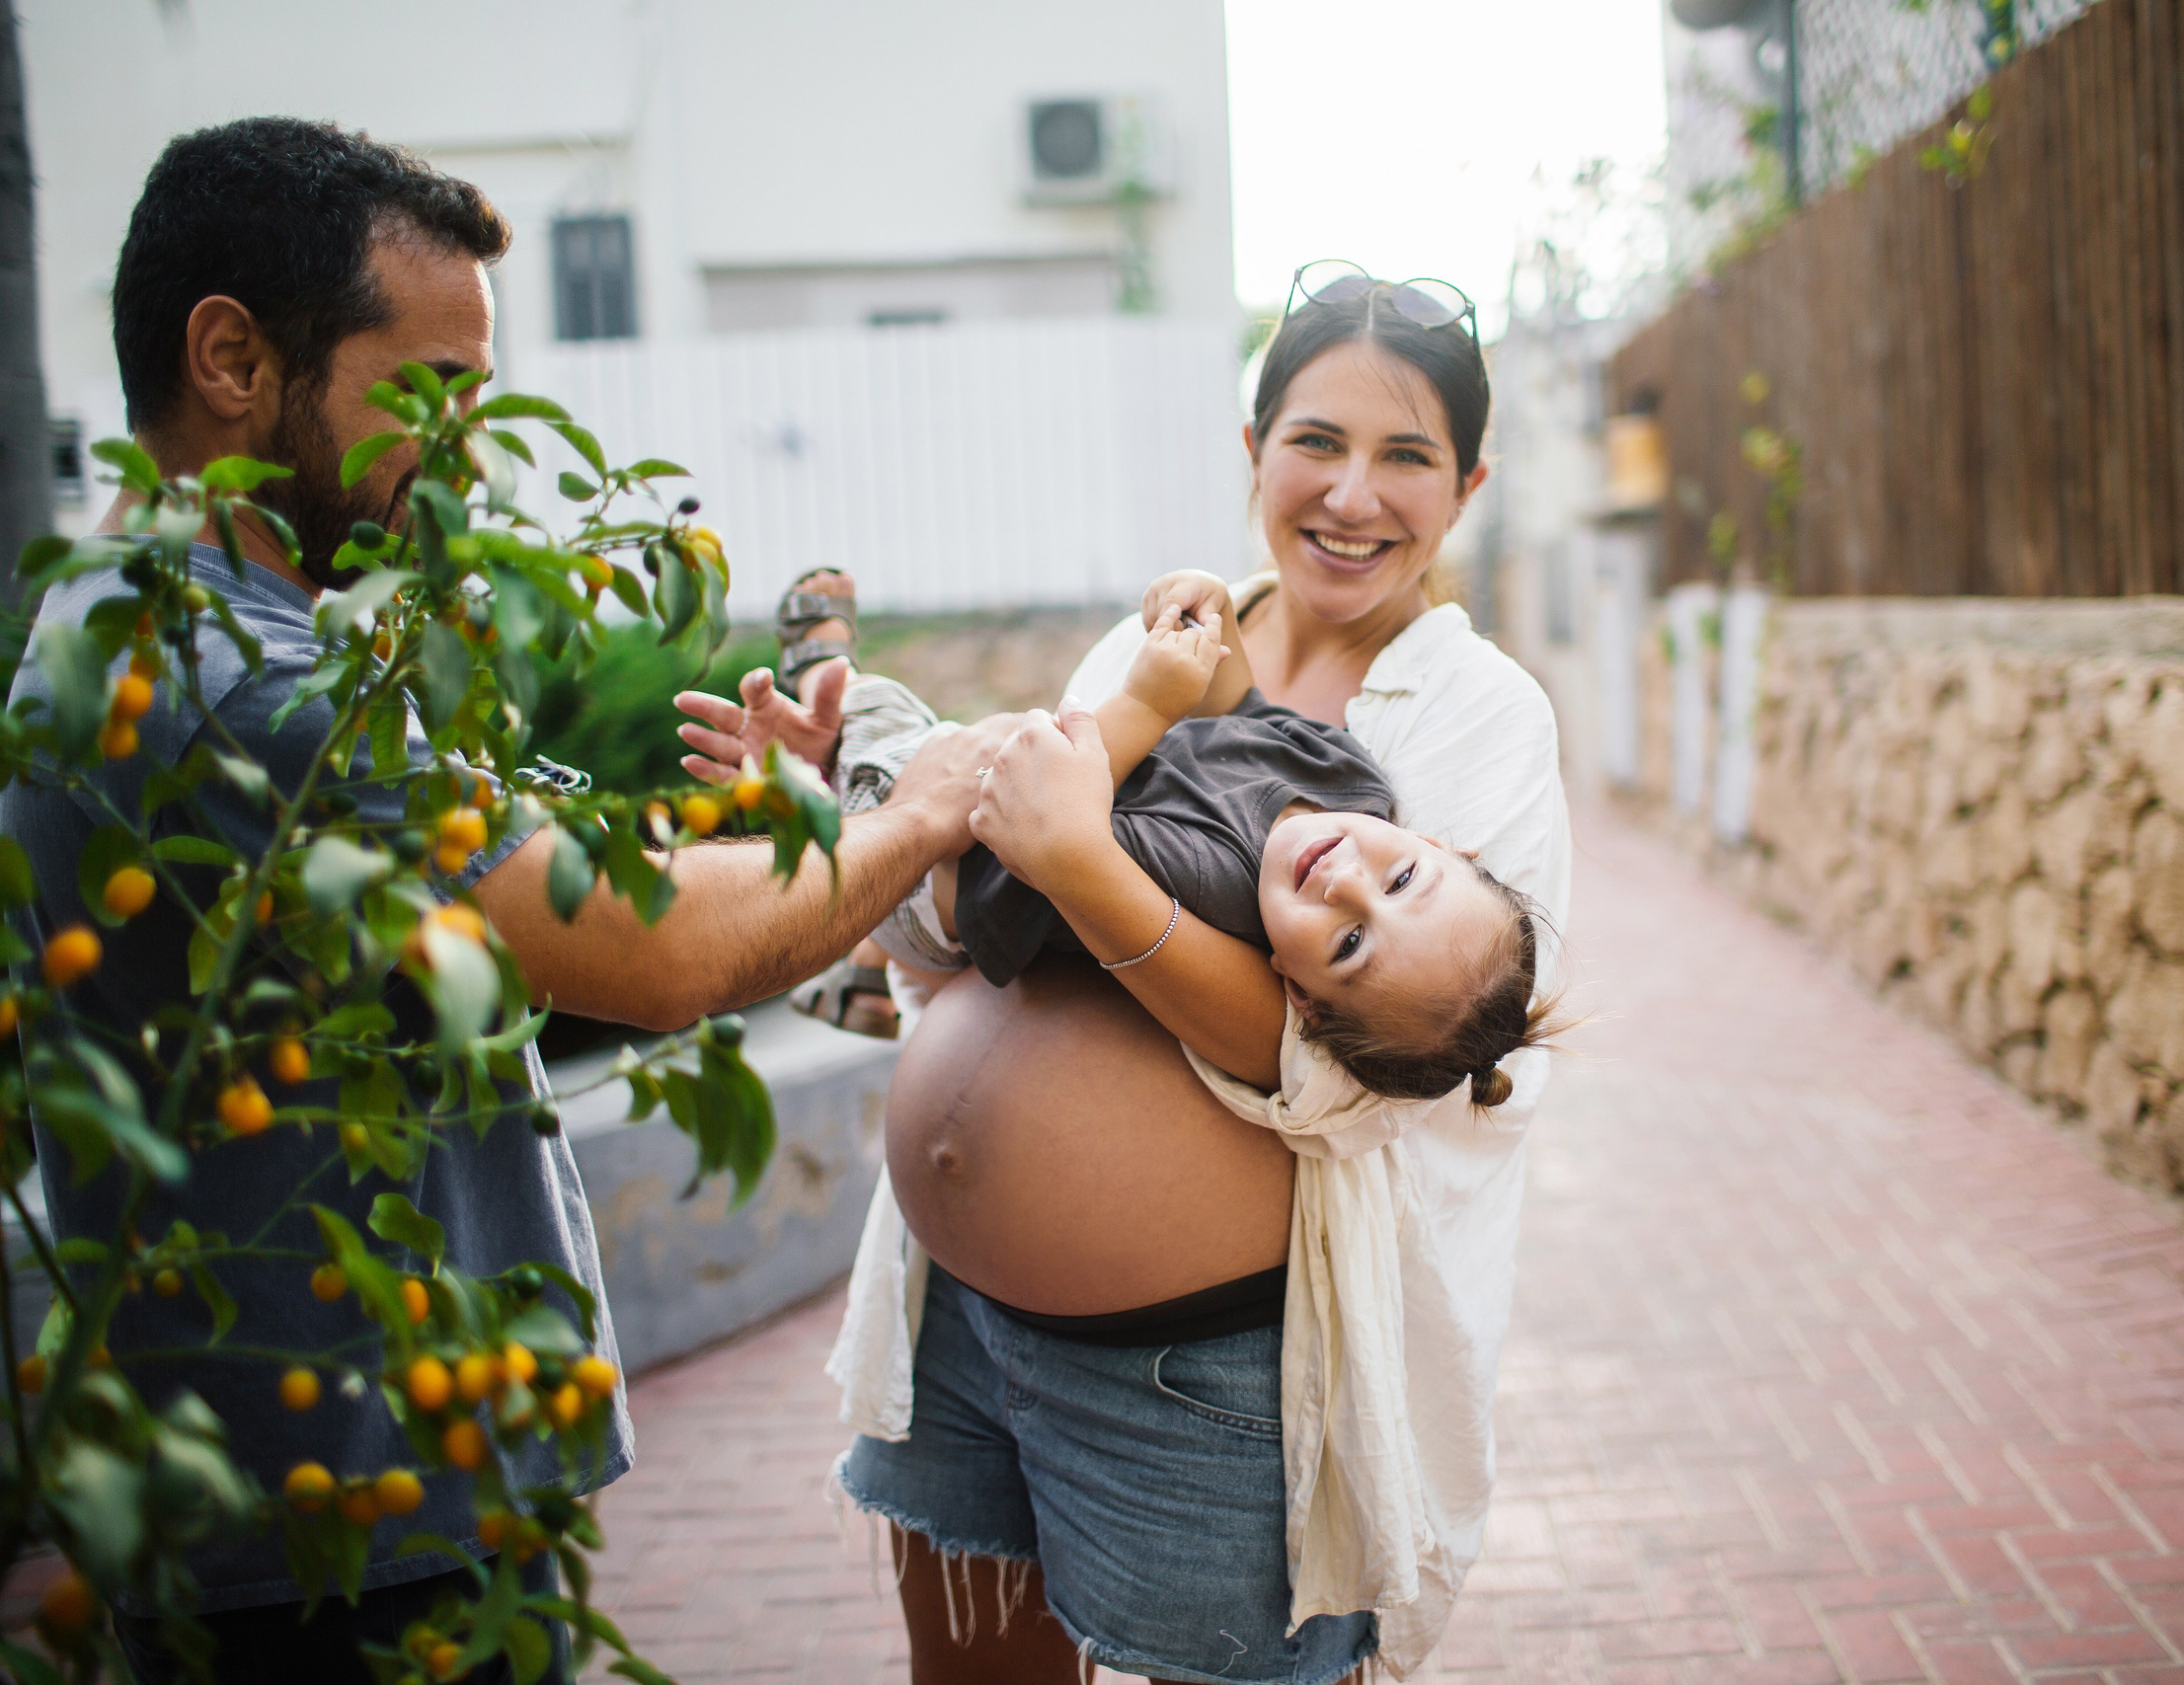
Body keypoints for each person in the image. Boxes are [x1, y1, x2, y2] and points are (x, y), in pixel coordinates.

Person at [5, 117, 1005, 1683]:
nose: (465, 450)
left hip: (344, 1506)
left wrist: (801, 817)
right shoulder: (236, 678)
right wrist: (926, 803)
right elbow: (654, 952)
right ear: (231, 359)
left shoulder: (183, 630)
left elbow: (561, 890)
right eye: (435, 391)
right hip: (342, 1545)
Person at [691, 263, 1571, 1684]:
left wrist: (1085, 867)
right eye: (1318, 442)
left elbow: (1367, 1068)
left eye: (1407, 456)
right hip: (963, 1305)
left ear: (1465, 486)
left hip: (1200, 1369)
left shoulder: (1477, 719)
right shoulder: (1159, 638)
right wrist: (847, 816)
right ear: (1253, 449)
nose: (1353, 493)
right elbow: (982, 901)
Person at [825, 571, 1550, 1106]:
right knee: (915, 730)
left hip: (927, 883)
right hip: (965, 786)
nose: (1347, 884)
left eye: (1350, 942)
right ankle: (852, 952)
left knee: (863, 722)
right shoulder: (1353, 778)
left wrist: (1147, 701)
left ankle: (818, 694)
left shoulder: (1203, 884)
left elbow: (1037, 813)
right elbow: (1247, 713)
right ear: (1446, 844)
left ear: (1298, 993)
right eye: (1403, 881)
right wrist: (1215, 627)